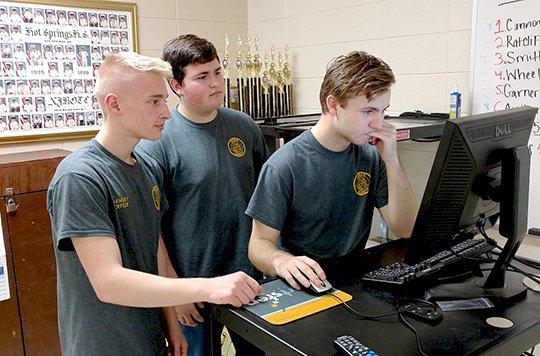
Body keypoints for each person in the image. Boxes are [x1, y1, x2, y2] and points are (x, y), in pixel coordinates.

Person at [47, 52, 262, 356]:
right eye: (153, 102)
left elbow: (155, 247)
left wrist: (171, 322)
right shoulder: (81, 176)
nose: (166, 112)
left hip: (149, 339)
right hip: (104, 345)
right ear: (114, 104)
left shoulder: (143, 169)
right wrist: (207, 287)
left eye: (163, 99)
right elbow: (108, 281)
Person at [138, 34, 270, 356]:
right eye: (202, 77)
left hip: (248, 279)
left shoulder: (245, 126)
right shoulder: (157, 142)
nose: (216, 83)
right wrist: (175, 293)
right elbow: (152, 230)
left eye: (218, 72)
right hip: (192, 288)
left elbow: (266, 198)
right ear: (176, 86)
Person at [246, 51, 418, 291]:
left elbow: (406, 229)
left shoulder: (370, 157)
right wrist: (281, 260)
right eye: (368, 111)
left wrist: (392, 160)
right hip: (302, 286)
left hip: (351, 282)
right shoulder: (284, 165)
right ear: (333, 104)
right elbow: (258, 245)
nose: (378, 124)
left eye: (383, 111)